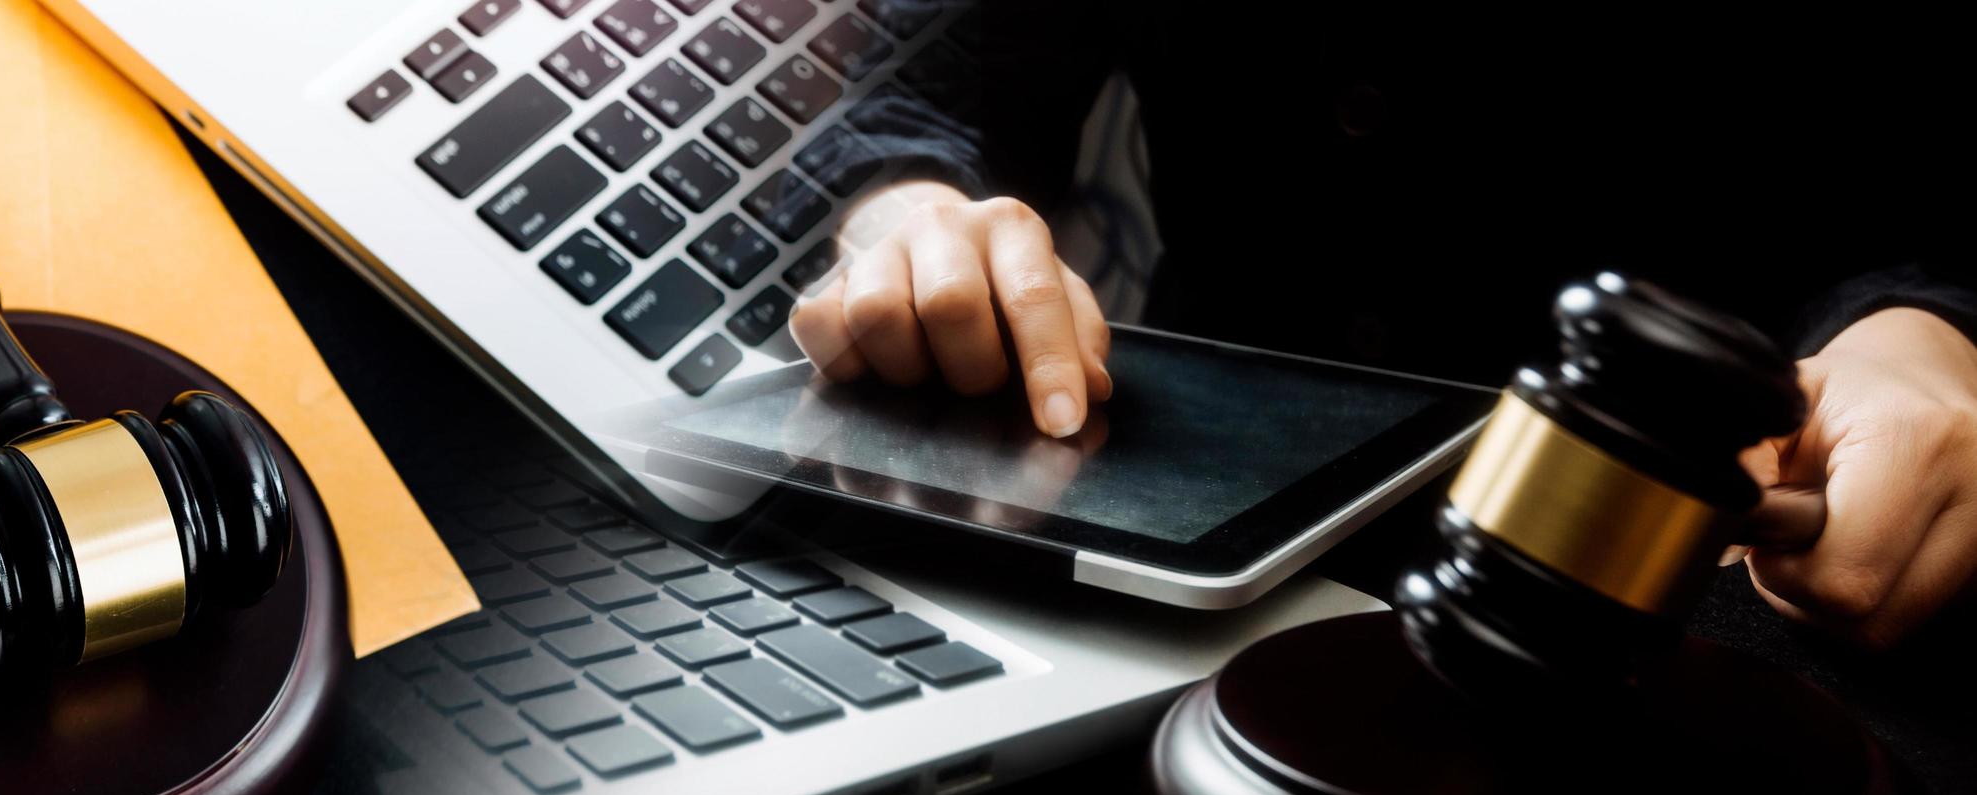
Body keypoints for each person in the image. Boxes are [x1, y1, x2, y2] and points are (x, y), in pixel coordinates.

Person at [787, 1, 1976, 643]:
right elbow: (927, 81)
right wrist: (911, 210)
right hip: (1161, 538)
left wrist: (1928, 326)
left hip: (1719, 595)